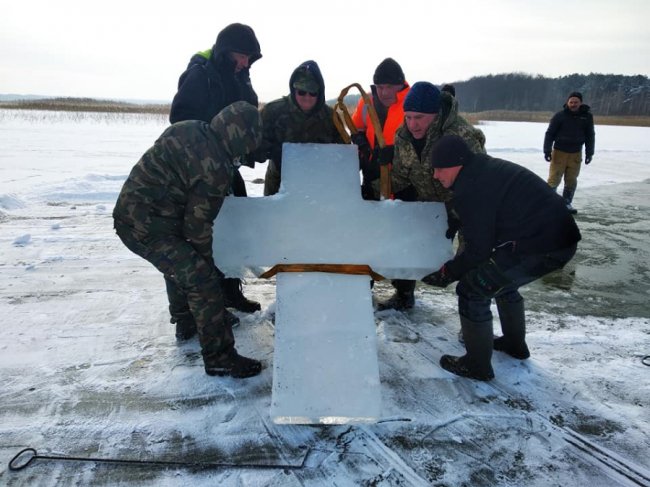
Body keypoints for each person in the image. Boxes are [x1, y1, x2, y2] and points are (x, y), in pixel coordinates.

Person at [113, 102, 263, 379]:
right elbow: (198, 230)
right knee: (200, 277)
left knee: (182, 262)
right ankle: (220, 357)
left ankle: (186, 321)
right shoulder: (216, 167)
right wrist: (210, 273)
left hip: (132, 215)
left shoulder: (191, 127)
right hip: (146, 227)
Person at [422, 135, 581, 381]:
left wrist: (448, 273)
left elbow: (478, 251)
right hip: (557, 238)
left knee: (472, 289)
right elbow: (486, 213)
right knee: (501, 282)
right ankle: (514, 344)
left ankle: (477, 366)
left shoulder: (473, 187)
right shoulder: (481, 170)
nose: (436, 175)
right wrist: (457, 218)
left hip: (544, 245)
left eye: (440, 168)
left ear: (459, 163)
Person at [169, 23, 262, 313]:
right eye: (241, 56)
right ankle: (200, 309)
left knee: (235, 228)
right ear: (225, 52)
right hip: (199, 171)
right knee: (201, 237)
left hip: (227, 167)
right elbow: (180, 117)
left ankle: (231, 291)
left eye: (249, 58)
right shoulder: (201, 74)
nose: (245, 63)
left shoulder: (239, 76)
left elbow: (247, 113)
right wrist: (211, 144)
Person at [377, 81, 486, 311]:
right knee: (407, 242)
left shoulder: (461, 134)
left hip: (467, 206)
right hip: (428, 203)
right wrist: (374, 178)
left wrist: (460, 212)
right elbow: (400, 177)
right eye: (408, 117)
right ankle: (404, 295)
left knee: (472, 263)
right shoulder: (403, 136)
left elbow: (480, 181)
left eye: (419, 117)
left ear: (434, 115)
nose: (412, 124)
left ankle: (474, 319)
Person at [253, 60, 344, 195]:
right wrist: (273, 152)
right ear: (294, 90)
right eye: (302, 92)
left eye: (313, 93)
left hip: (318, 187)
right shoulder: (273, 111)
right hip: (279, 186)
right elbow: (254, 147)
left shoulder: (331, 117)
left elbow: (343, 153)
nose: (307, 97)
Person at [351, 58, 410, 200]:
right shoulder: (366, 102)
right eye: (379, 87)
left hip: (405, 187)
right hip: (370, 180)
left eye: (389, 87)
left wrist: (395, 152)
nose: (383, 93)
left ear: (400, 84)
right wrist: (360, 141)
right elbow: (356, 127)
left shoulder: (413, 103)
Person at [543, 91, 595, 214]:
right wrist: (547, 150)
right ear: (567, 102)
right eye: (571, 102)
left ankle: (567, 203)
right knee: (554, 179)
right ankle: (549, 203)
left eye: (576, 102)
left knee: (571, 180)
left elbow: (590, 135)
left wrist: (589, 153)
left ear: (580, 103)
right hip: (559, 152)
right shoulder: (560, 116)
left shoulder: (587, 117)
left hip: (576, 154)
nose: (573, 104)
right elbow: (549, 133)